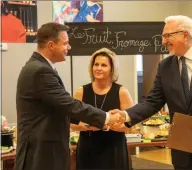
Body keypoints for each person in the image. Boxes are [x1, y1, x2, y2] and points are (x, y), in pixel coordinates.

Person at [112, 15, 192, 169]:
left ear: (185, 35)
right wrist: (126, 115)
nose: (163, 41)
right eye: (163, 37)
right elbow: (152, 102)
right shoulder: (165, 66)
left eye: (167, 36)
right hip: (183, 151)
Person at [15, 22, 123, 170]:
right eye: (65, 43)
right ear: (51, 45)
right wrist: (107, 117)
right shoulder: (40, 71)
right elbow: (69, 105)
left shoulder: (38, 67)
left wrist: (88, 123)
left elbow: (59, 108)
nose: (69, 47)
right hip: (41, 155)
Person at [70, 48, 134, 170]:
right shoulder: (81, 92)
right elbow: (72, 124)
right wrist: (90, 126)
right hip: (87, 149)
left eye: (104, 65)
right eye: (96, 64)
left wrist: (107, 125)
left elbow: (130, 125)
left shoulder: (122, 92)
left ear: (112, 69)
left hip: (114, 149)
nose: (98, 68)